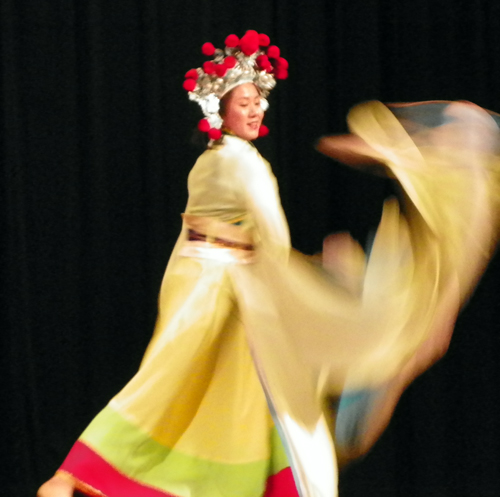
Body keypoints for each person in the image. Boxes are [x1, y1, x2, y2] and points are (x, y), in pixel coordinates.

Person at [38, 30, 500, 497]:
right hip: (221, 295)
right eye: (245, 101)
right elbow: (271, 239)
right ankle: (78, 475)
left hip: (214, 287)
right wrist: (318, 278)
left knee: (221, 396)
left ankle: (185, 480)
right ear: (221, 110)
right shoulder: (241, 164)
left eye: (259, 100)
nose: (257, 108)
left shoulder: (216, 160)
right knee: (181, 387)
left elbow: (223, 236)